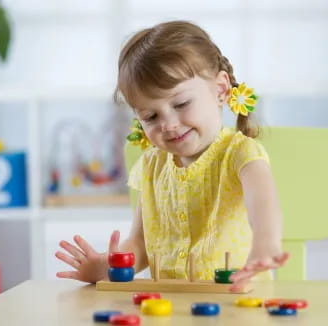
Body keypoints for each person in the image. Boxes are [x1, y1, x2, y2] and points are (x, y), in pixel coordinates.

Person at [55, 20, 288, 292]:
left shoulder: (240, 153)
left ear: (221, 90)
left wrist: (265, 245)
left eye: (181, 104)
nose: (168, 124)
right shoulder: (151, 166)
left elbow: (264, 209)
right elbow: (140, 245)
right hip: (168, 307)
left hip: (236, 303)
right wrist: (108, 266)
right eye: (150, 116)